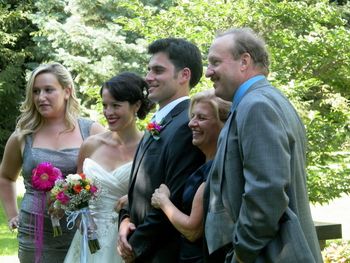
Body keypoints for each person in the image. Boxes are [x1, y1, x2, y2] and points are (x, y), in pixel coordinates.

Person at [204, 27, 323, 263]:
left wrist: (242, 252)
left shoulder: (256, 105)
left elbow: (267, 191)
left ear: (244, 61)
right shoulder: (268, 100)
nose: (208, 72)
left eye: (215, 62)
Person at [0, 62, 105, 263]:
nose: (41, 97)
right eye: (36, 91)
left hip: (80, 232)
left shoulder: (91, 131)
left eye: (49, 90)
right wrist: (12, 214)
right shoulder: (23, 135)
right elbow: (5, 176)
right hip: (34, 234)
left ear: (67, 91)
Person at [117, 38, 206, 262]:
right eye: (148, 70)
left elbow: (173, 198)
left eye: (158, 70)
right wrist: (125, 220)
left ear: (184, 75)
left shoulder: (187, 125)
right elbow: (140, 187)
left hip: (162, 254)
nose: (148, 78)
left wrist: (134, 247)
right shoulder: (160, 121)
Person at [64, 72, 154, 262]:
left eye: (116, 105)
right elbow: (77, 192)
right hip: (89, 238)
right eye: (105, 105)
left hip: (125, 238)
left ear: (136, 105)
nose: (108, 112)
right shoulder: (90, 145)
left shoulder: (150, 147)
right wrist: (81, 218)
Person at [151, 89, 231, 263]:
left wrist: (163, 201)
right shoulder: (202, 163)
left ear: (223, 124)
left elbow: (193, 231)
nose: (191, 123)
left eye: (201, 118)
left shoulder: (217, 170)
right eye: (192, 116)